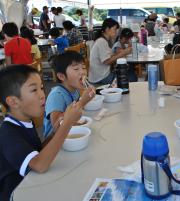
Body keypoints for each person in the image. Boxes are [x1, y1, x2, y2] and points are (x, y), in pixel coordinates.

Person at [0, 65, 82, 201]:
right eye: (34, 90)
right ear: (13, 101)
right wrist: (66, 124)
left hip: (35, 184)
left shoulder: (25, 122)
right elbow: (39, 164)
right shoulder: (8, 134)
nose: (42, 95)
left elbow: (37, 152)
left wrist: (55, 132)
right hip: (17, 195)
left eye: (42, 88)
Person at [44, 51, 95, 138]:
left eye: (83, 67)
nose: (82, 72)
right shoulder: (57, 95)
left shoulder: (74, 90)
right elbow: (57, 126)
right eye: (76, 69)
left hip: (71, 132)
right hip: (55, 141)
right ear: (61, 76)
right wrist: (82, 102)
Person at [89, 18, 131, 85]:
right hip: (100, 78)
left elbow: (109, 56)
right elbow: (107, 61)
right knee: (130, 77)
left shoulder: (104, 40)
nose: (116, 32)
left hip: (101, 75)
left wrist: (118, 53)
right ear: (107, 29)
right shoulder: (101, 41)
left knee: (127, 73)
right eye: (114, 29)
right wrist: (123, 53)